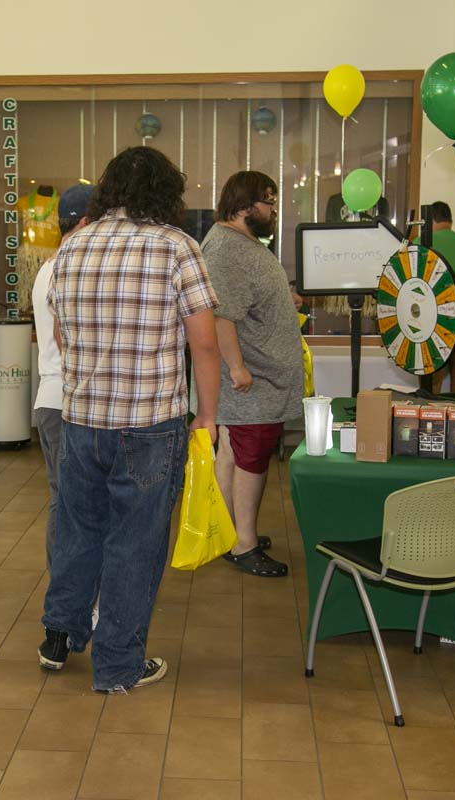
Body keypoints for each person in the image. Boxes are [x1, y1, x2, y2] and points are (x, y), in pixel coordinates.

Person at [39, 146, 221, 692]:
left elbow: (60, 337)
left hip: (81, 419)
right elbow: (205, 345)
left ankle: (59, 633)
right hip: (149, 425)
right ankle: (117, 665)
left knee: (77, 529)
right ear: (167, 193)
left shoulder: (72, 250)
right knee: (134, 542)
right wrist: (208, 417)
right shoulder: (177, 248)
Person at [201, 171, 303, 578]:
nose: (274, 210)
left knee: (232, 454)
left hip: (258, 380)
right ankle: (243, 543)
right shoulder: (227, 249)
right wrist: (239, 368)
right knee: (251, 458)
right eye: (268, 202)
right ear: (244, 207)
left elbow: (245, 301)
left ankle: (232, 533)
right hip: (251, 382)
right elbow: (221, 317)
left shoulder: (241, 244)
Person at [32, 182, 93, 570]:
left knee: (64, 498)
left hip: (52, 400)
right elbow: (69, 340)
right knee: (70, 502)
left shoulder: (49, 267)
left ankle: (67, 589)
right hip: (66, 401)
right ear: (86, 223)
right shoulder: (70, 268)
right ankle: (69, 590)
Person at [415, 201, 455, 393]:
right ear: (449, 221)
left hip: (436, 321)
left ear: (431, 220)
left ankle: (429, 424)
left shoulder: (423, 243)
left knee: (431, 387)